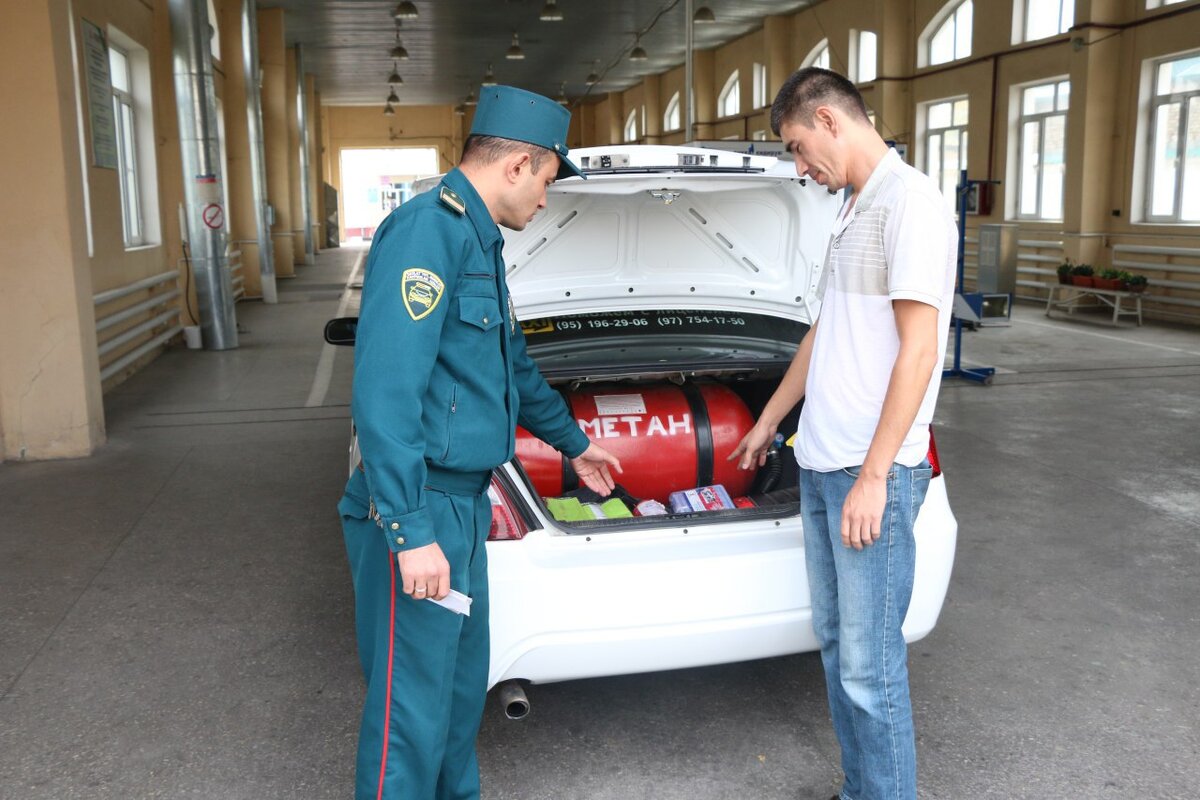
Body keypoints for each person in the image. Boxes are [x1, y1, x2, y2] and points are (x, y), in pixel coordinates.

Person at [338, 85, 621, 800]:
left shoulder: (476, 239)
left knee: (461, 694)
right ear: (519, 164)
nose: (546, 201)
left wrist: (574, 445)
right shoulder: (426, 234)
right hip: (423, 503)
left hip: (463, 504)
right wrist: (408, 530)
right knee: (410, 711)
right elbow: (386, 393)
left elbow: (510, 369)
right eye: (549, 183)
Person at [730, 68, 957, 800]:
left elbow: (919, 351)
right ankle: (862, 790)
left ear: (829, 120)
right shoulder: (853, 207)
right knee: (838, 651)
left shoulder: (910, 206)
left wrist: (876, 474)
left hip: (870, 476)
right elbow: (825, 332)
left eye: (798, 148)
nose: (801, 167)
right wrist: (769, 420)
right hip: (824, 463)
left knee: (871, 665)